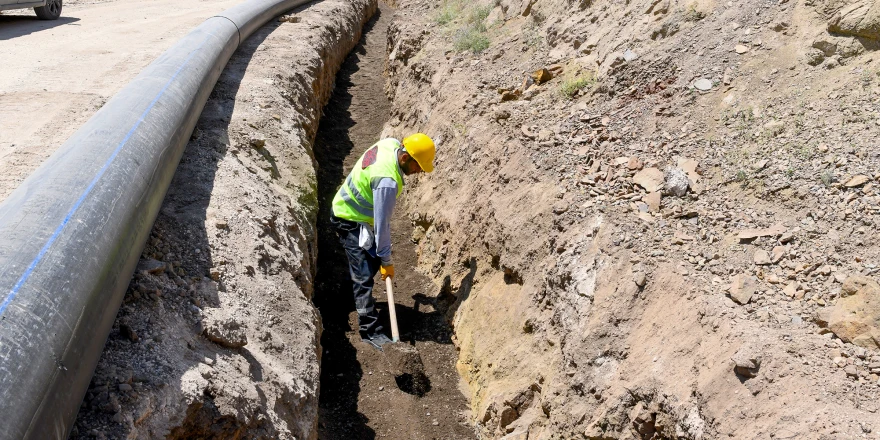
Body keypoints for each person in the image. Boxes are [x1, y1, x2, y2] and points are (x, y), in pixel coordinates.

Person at [330, 133, 435, 350]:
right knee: (364, 276)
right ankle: (370, 330)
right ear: (405, 158)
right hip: (348, 218)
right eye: (418, 167)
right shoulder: (387, 182)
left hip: (350, 208)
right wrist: (387, 260)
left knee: (369, 262)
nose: (418, 173)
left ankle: (348, 297)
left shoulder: (391, 144)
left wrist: (382, 258)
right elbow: (382, 227)